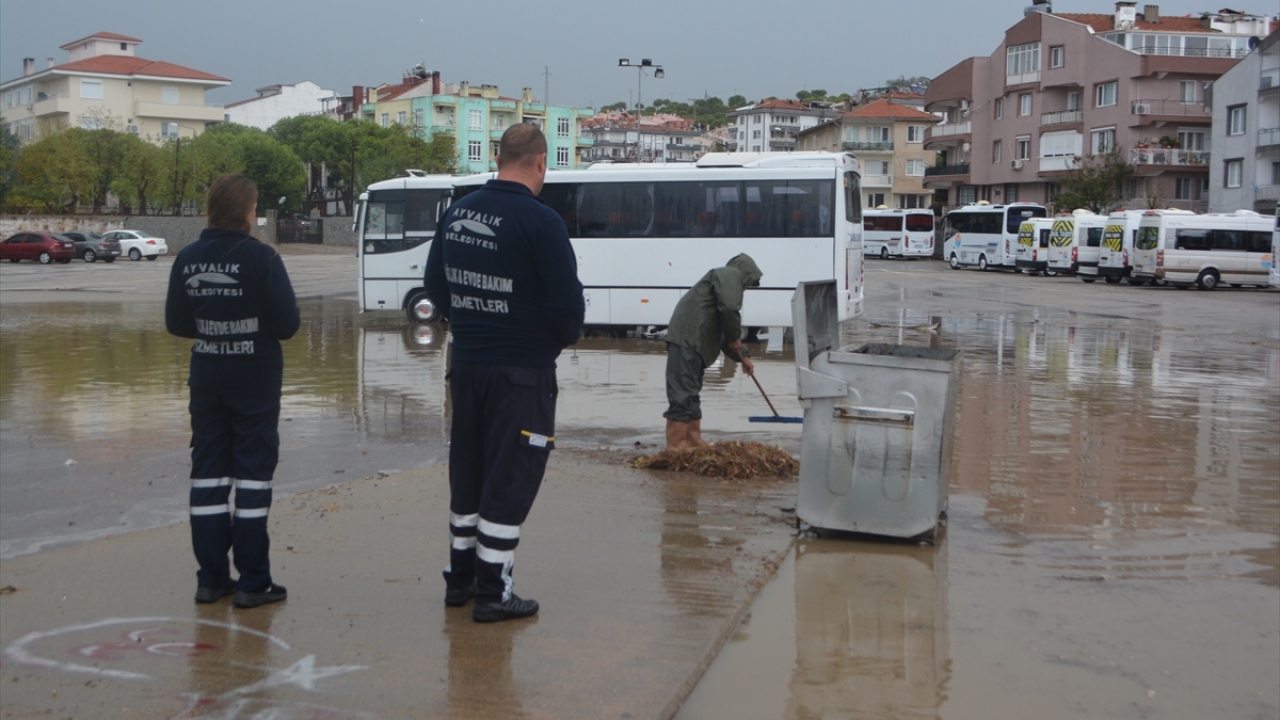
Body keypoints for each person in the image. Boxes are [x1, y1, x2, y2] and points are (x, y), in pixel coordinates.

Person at [424, 123, 585, 623]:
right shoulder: (541, 221)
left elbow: (435, 286)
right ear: (540, 162)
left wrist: (473, 325)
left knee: (469, 472)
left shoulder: (455, 214)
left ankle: (461, 581)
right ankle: (494, 592)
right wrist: (544, 343)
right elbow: (569, 308)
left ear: (498, 158)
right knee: (511, 477)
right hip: (522, 372)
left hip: (466, 365)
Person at [165, 174, 300, 609]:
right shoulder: (261, 257)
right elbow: (288, 325)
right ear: (247, 210)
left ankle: (211, 580)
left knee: (207, 477)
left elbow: (177, 323)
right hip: (254, 384)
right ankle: (253, 582)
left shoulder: (187, 257)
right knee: (253, 480)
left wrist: (215, 329)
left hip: (207, 381)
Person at [663, 254, 763, 450]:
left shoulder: (723, 290)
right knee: (682, 392)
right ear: (745, 273)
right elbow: (729, 310)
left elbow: (726, 337)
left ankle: (693, 439)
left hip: (697, 344)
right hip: (687, 338)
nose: (747, 287)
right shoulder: (728, 274)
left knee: (691, 392)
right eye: (749, 282)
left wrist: (744, 357)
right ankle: (675, 445)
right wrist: (735, 337)